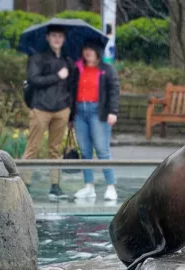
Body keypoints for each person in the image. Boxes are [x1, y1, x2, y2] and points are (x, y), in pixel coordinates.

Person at [22, 24, 74, 200]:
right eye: (54, 36)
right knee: (32, 148)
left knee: (55, 150)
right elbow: (34, 80)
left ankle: (55, 186)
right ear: (48, 38)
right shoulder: (38, 58)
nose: (57, 39)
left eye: (60, 36)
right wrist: (57, 76)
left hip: (61, 110)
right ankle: (24, 186)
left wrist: (69, 110)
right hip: (41, 109)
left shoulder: (68, 60)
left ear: (64, 39)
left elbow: (71, 86)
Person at [71, 40, 120, 201]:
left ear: (98, 51)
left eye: (91, 49)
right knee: (85, 152)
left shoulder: (107, 69)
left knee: (102, 151)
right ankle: (88, 186)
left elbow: (114, 90)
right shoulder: (77, 68)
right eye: (85, 48)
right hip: (80, 112)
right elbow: (70, 90)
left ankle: (111, 187)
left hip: (98, 112)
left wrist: (113, 111)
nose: (87, 52)